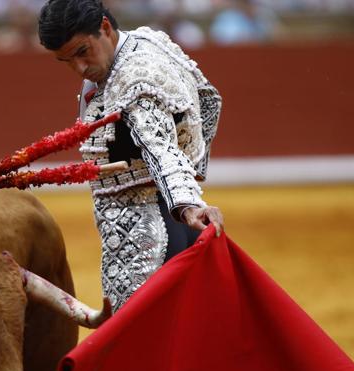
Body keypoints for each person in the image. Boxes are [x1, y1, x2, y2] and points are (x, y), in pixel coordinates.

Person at [37, 0, 224, 313]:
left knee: (136, 336)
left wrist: (187, 200)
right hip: (173, 219)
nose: (79, 68)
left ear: (105, 29)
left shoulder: (133, 79)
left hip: (143, 234)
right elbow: (209, 99)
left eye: (83, 52)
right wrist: (192, 169)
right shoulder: (147, 41)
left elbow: (158, 146)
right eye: (66, 60)